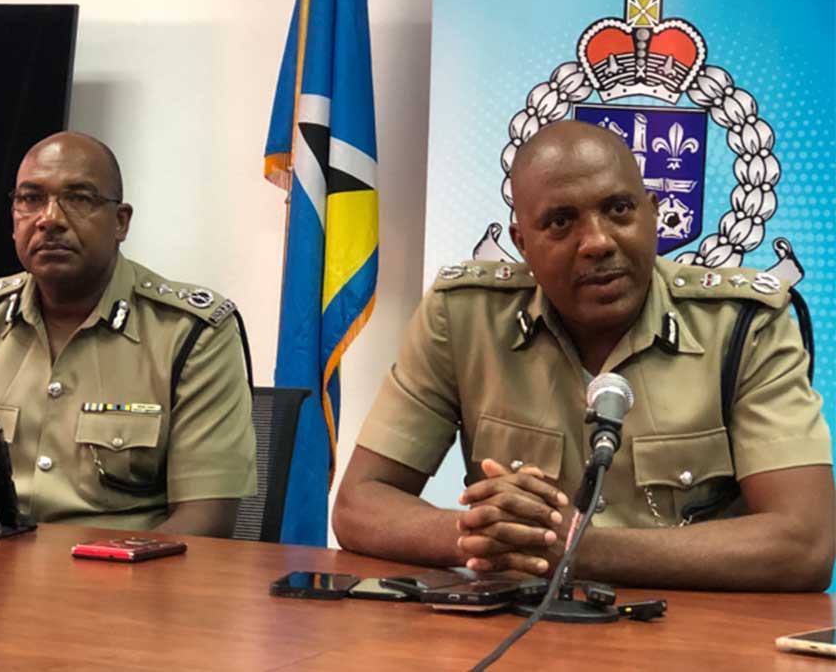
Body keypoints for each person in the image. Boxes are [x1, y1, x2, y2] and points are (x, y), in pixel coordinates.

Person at [333, 120, 834, 591]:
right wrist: (481, 534)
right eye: (560, 221)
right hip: (520, 633)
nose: (596, 241)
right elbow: (358, 504)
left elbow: (806, 543)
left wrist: (573, 548)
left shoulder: (744, 324)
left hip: (696, 638)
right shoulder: (464, 318)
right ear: (522, 244)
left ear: (655, 213)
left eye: (618, 210)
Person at [0, 132, 256, 536]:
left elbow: (206, 521)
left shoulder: (191, 334)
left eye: (79, 199)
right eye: (30, 199)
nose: (50, 219)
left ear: (121, 222)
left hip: (125, 585)